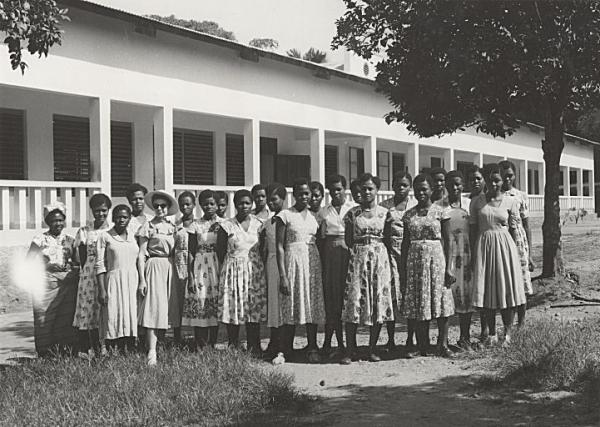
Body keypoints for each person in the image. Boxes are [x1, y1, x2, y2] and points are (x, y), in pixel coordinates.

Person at [341, 173, 394, 364]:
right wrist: (360, 252)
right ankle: (350, 350)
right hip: (358, 258)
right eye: (363, 189)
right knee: (354, 301)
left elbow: (387, 239)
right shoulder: (352, 214)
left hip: (380, 259)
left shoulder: (385, 213)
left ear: (377, 190)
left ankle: (372, 349)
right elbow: (348, 240)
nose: (367, 192)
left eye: (370, 188)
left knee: (378, 302)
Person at [471, 165, 525, 346]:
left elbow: (516, 230)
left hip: (505, 248)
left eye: (498, 180)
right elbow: (473, 231)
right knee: (487, 292)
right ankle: (492, 333)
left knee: (505, 289)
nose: (494, 184)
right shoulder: (477, 202)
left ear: (503, 181)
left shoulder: (511, 201)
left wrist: (519, 255)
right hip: (484, 247)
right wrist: (472, 255)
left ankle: (507, 334)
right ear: (486, 180)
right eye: (491, 180)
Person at [402, 174, 454, 358]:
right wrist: (403, 270)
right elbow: (405, 244)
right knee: (419, 302)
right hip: (415, 262)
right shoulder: (409, 215)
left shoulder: (441, 211)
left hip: (437, 260)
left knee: (441, 300)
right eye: (417, 190)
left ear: (432, 190)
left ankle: (443, 344)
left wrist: (449, 267)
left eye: (424, 189)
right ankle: (422, 345)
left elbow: (448, 241)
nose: (421, 193)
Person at [276, 178, 325, 363]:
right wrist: (283, 275)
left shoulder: (316, 217)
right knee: (291, 304)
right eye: (300, 193)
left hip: (312, 262)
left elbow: (319, 240)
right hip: (292, 262)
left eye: (307, 193)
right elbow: (279, 246)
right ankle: (285, 349)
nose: (304, 197)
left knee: (311, 303)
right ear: (294, 195)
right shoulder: (285, 215)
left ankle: (312, 347)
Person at [216, 189, 267, 353]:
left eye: (247, 203)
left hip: (254, 270)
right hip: (233, 269)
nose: (244, 206)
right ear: (235, 205)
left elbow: (263, 248)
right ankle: (233, 344)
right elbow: (220, 250)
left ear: (252, 204)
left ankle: (254, 345)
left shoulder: (259, 224)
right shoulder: (226, 226)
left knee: (253, 308)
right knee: (234, 307)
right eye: (240, 203)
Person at [28, 202, 79, 356]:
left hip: (67, 284)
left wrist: (72, 270)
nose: (58, 223)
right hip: (46, 284)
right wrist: (46, 267)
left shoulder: (70, 240)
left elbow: (77, 263)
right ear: (47, 222)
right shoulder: (40, 240)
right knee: (44, 318)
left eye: (61, 220)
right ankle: (45, 354)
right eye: (54, 220)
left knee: (64, 318)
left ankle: (63, 352)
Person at [137, 190, 178, 365]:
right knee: (153, 307)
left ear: (168, 208)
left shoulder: (172, 227)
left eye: (163, 206)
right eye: (157, 206)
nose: (160, 208)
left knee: (167, 307)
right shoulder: (148, 226)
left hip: (169, 267)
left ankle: (163, 344)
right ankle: (151, 351)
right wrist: (142, 279)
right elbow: (140, 254)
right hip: (153, 266)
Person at [317, 174, 354, 357]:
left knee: (345, 298)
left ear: (345, 189)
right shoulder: (324, 211)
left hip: (348, 253)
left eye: (339, 189)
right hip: (331, 254)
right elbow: (321, 238)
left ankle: (348, 344)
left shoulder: (353, 208)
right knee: (332, 299)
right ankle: (332, 342)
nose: (335, 193)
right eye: (332, 190)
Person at [182, 190, 223, 350]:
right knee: (200, 302)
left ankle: (212, 343)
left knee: (214, 303)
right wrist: (191, 276)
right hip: (199, 266)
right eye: (205, 204)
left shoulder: (223, 224)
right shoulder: (195, 225)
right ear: (201, 205)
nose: (209, 207)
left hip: (216, 266)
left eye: (212, 203)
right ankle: (200, 344)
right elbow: (191, 251)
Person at [381, 171, 416, 353]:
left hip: (411, 253)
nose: (401, 188)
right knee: (391, 296)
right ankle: (391, 339)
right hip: (390, 254)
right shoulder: (385, 207)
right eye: (397, 184)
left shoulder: (415, 206)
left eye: (404, 185)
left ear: (410, 187)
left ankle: (411, 338)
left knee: (410, 295)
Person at [73, 193, 111, 358]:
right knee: (90, 309)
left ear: (108, 209)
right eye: (97, 211)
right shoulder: (85, 231)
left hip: (108, 272)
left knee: (106, 308)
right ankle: (90, 347)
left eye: (103, 210)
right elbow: (81, 257)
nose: (100, 214)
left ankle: (107, 345)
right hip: (89, 275)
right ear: (92, 211)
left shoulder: (113, 229)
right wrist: (87, 272)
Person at [96, 205, 139, 352]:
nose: (122, 220)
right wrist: (101, 289)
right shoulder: (105, 236)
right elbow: (100, 264)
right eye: (119, 217)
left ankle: (129, 347)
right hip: (113, 279)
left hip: (132, 279)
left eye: (125, 217)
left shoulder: (134, 236)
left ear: (129, 219)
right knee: (113, 313)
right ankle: (110, 347)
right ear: (113, 218)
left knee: (130, 312)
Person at [441, 171, 474, 350]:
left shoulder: (470, 204)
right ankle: (443, 341)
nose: (455, 187)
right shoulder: (439, 206)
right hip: (447, 255)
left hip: (466, 254)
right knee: (446, 296)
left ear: (463, 185)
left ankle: (465, 338)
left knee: (466, 297)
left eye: (458, 184)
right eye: (451, 184)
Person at [499, 160, 534, 327]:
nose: (507, 179)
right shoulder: (494, 195)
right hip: (501, 239)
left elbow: (526, 226)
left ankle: (521, 323)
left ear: (514, 176)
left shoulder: (520, 195)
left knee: (523, 282)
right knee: (506, 282)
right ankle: (507, 324)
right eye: (503, 176)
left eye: (510, 176)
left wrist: (530, 254)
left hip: (519, 241)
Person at [261, 182, 287, 364]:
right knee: (273, 305)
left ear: (283, 199)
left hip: (284, 264)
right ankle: (274, 343)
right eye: (268, 200)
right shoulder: (267, 222)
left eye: (274, 200)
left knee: (282, 304)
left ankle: (283, 347)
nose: (270, 203)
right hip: (271, 264)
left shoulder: (286, 218)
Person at [172, 191, 196, 345]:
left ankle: (196, 336)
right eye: (182, 204)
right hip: (178, 264)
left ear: (194, 205)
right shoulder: (176, 225)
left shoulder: (198, 224)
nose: (185, 207)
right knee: (178, 301)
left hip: (194, 264)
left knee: (194, 299)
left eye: (188, 204)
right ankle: (177, 337)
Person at [468, 165, 488, 341]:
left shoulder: (486, 200)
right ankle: (483, 330)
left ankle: (489, 330)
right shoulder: (469, 200)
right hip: (472, 247)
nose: (475, 182)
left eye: (478, 178)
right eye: (472, 179)